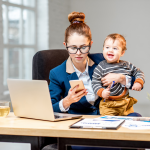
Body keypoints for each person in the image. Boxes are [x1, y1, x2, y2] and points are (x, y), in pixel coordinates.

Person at [45, 12, 141, 150]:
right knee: (106, 146)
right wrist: (67, 101)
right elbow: (49, 109)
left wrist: (121, 78)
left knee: (137, 119)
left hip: (109, 117)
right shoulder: (57, 73)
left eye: (83, 47)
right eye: (73, 48)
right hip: (81, 125)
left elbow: (135, 79)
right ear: (65, 45)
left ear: (90, 44)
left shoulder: (103, 60)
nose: (78, 53)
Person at [92, 33, 145, 116]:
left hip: (125, 102)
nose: (110, 50)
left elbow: (139, 72)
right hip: (108, 105)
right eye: (107, 47)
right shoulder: (101, 67)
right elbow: (95, 82)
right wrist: (101, 92)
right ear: (103, 50)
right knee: (109, 124)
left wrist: (138, 82)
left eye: (115, 48)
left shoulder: (126, 65)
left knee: (131, 122)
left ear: (122, 53)